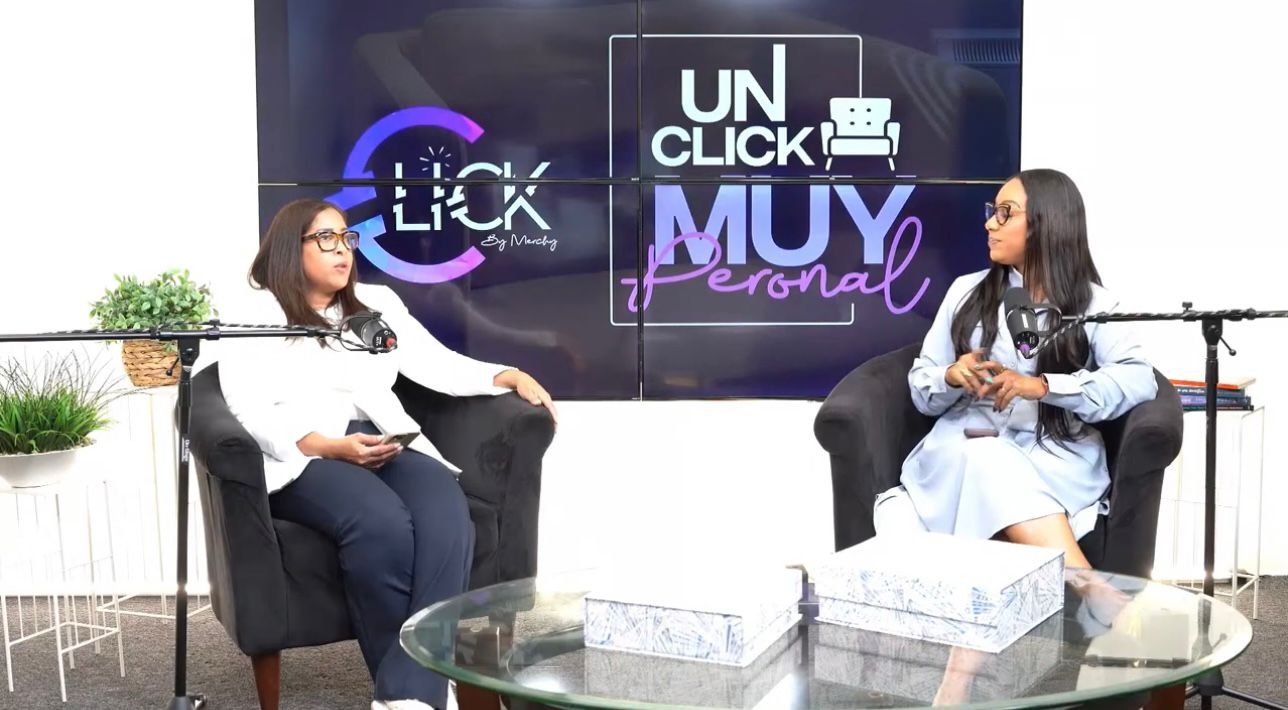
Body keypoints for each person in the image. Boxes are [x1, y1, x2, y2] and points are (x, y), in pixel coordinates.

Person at [218, 198, 558, 710]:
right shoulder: (256, 315)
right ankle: (419, 692)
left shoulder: (375, 305)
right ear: (291, 247)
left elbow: (435, 362)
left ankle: (409, 691)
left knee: (448, 509)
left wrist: (503, 374)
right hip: (303, 453)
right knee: (381, 523)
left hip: (383, 438)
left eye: (346, 237)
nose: (343, 249)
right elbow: (246, 409)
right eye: (326, 238)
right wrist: (325, 445)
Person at [878, 168, 1157, 598]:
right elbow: (922, 387)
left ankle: (1086, 596)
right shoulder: (965, 292)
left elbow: (1138, 379)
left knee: (988, 464)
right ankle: (1096, 593)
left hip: (1051, 459)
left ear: (1047, 222)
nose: (990, 223)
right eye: (992, 211)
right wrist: (951, 376)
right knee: (976, 460)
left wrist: (1045, 386)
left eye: (1006, 213)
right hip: (958, 454)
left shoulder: (1094, 303)